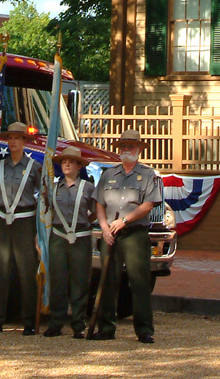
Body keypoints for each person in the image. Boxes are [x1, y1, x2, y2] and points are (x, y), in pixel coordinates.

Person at [89, 129, 162, 344]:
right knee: (107, 282)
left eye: (131, 146)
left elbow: (148, 205)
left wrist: (125, 220)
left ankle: (144, 329)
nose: (126, 150)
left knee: (139, 282)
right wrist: (104, 227)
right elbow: (99, 204)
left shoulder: (148, 175)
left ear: (139, 149)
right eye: (123, 146)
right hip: (110, 234)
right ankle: (106, 327)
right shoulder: (108, 175)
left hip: (134, 233)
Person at [0, 121, 41, 334]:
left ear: (25, 141)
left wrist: (39, 231)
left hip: (24, 219)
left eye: (17, 138)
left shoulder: (34, 167)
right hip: (1, 219)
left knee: (27, 271)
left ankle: (28, 320)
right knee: (0, 270)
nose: (13, 142)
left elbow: (42, 197)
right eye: (10, 138)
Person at [43, 144, 95, 338]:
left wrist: (85, 224)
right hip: (58, 237)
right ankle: (56, 323)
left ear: (78, 166)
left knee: (79, 281)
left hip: (80, 237)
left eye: (71, 162)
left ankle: (78, 324)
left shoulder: (88, 188)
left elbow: (96, 211)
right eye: (64, 162)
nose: (66, 165)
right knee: (57, 280)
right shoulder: (54, 187)